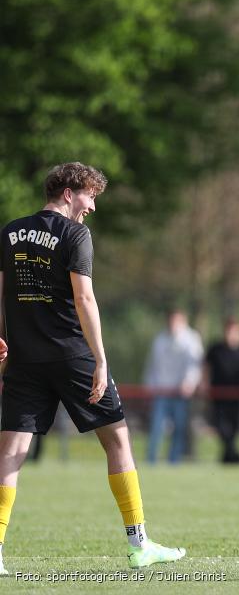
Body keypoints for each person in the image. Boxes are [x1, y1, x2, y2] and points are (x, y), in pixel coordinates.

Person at [0, 162, 184, 575]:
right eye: (90, 196)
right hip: (71, 355)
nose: (92, 207)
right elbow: (84, 300)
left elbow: (1, 290)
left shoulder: (10, 232)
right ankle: (140, 544)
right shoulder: (74, 234)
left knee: (10, 451)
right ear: (69, 193)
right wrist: (100, 359)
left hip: (24, 357)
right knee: (118, 440)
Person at [144, 309, 203, 464]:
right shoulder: (160, 339)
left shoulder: (191, 339)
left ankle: (174, 461)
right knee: (156, 428)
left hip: (180, 394)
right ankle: (151, 460)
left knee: (179, 429)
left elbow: (194, 365)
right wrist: (149, 386)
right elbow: (152, 365)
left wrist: (189, 383)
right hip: (161, 392)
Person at [204, 318, 239, 464]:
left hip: (238, 398)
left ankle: (229, 457)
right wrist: (204, 384)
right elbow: (205, 368)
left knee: (234, 430)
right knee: (222, 429)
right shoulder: (215, 349)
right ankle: (234, 456)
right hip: (219, 397)